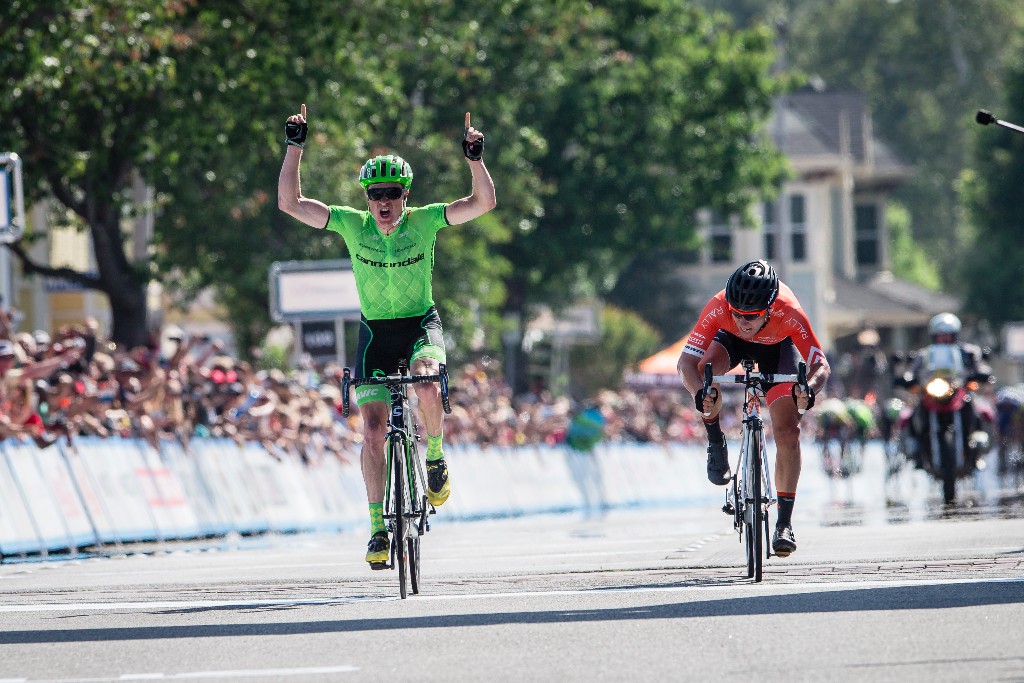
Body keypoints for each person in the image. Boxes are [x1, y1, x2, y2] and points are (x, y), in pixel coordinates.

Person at [278, 104, 496, 567]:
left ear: (405, 194)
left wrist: (475, 160)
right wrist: (294, 148)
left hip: (420, 324)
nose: (383, 201)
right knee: (373, 429)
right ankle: (378, 526)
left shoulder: (426, 220)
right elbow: (290, 204)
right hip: (375, 333)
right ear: (366, 194)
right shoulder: (352, 224)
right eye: (376, 193)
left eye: (392, 194)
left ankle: (434, 455)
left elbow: (483, 204)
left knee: (424, 380)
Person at [677, 260, 830, 558]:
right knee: (705, 371)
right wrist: (699, 394)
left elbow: (820, 364)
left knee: (788, 431)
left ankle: (784, 524)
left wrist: (808, 390)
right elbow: (685, 364)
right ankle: (715, 441)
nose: (744, 321)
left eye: (752, 315)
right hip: (729, 343)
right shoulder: (720, 306)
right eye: (738, 313)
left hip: (778, 347)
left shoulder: (789, 310)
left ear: (771, 307)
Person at [897, 312, 993, 466]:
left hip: (959, 392)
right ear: (934, 336)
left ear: (955, 335)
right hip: (932, 392)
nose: (944, 339)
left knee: (976, 408)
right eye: (941, 335)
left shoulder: (968, 352)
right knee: (914, 413)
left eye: (948, 335)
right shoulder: (925, 354)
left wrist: (981, 373)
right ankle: (916, 450)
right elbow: (912, 370)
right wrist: (907, 378)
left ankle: (976, 447)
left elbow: (981, 367)